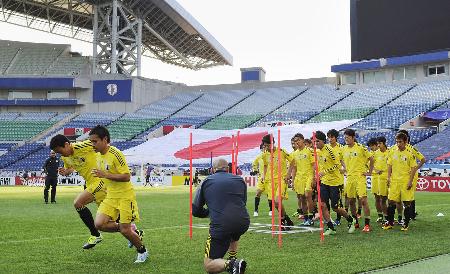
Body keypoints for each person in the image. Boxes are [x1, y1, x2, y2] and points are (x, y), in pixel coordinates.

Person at [89, 125, 147, 263]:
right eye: (91, 142)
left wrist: (105, 174)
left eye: (95, 141)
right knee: (99, 224)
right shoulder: (98, 157)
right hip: (110, 196)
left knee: (125, 230)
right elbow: (105, 178)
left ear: (105, 139)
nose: (93, 145)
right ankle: (132, 230)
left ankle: (142, 251)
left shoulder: (116, 154)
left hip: (125, 196)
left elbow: (126, 176)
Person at [50, 134, 108, 249]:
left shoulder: (84, 145)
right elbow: (71, 168)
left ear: (66, 144)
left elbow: (104, 146)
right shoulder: (65, 157)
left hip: (101, 181)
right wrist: (65, 172)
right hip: (90, 185)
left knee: (78, 203)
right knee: (112, 218)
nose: (60, 154)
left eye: (60, 151)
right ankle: (135, 232)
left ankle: (95, 235)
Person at [192, 158, 249, 274]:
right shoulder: (240, 180)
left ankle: (231, 264)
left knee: (209, 265)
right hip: (243, 222)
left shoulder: (206, 181)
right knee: (234, 231)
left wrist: (208, 212)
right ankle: (232, 258)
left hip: (221, 224)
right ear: (228, 168)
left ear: (212, 169)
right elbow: (243, 203)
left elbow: (195, 210)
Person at [314, 131, 355, 235]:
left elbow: (337, 165)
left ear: (323, 141)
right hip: (324, 182)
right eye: (314, 142)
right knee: (322, 205)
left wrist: (325, 171)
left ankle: (351, 220)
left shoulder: (329, 150)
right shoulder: (318, 151)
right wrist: (317, 173)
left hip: (335, 182)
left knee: (335, 207)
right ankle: (330, 227)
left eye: (317, 141)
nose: (315, 144)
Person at [383, 132, 418, 231]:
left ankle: (405, 224)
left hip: (405, 181)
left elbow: (413, 168)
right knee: (391, 202)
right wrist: (388, 177)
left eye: (400, 142)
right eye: (397, 142)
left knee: (406, 203)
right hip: (394, 181)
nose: (398, 144)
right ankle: (390, 223)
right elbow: (389, 165)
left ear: (406, 142)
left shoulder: (410, 153)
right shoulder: (392, 151)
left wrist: (410, 181)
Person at [341, 129, 374, 232]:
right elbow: (340, 159)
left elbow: (371, 159)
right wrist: (345, 168)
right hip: (349, 178)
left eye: (348, 137)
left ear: (353, 137)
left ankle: (367, 224)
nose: (346, 139)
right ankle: (355, 221)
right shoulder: (343, 149)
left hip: (360, 177)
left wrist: (369, 172)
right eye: (345, 137)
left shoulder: (361, 148)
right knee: (351, 201)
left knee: (363, 200)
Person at [261, 134, 294, 230]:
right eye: (264, 145)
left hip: (282, 180)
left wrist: (288, 174)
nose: (266, 147)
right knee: (275, 203)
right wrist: (263, 175)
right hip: (270, 181)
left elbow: (292, 161)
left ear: (273, 143)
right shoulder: (264, 154)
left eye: (268, 145)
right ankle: (287, 219)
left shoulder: (281, 151)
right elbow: (266, 166)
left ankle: (282, 220)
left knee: (277, 201)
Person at [289, 133, 315, 226]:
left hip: (309, 176)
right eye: (295, 141)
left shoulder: (309, 151)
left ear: (303, 140)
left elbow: (313, 165)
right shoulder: (294, 154)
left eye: (298, 140)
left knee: (308, 195)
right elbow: (293, 167)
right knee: (302, 198)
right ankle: (306, 218)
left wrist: (313, 177)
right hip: (299, 178)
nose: (297, 142)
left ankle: (311, 217)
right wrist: (291, 178)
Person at [326, 129, 345, 225]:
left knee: (337, 201)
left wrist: (344, 168)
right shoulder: (326, 148)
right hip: (327, 178)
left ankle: (338, 219)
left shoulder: (341, 148)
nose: (330, 139)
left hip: (338, 179)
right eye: (328, 137)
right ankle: (328, 219)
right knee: (326, 200)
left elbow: (343, 161)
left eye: (332, 137)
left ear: (336, 137)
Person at [252, 144, 272, 217]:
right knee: (258, 193)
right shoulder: (259, 157)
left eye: (265, 147)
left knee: (269, 195)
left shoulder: (271, 156)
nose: (264, 149)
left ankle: (271, 210)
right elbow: (254, 164)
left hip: (270, 178)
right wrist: (255, 171)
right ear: (261, 149)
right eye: (263, 148)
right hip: (261, 178)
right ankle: (256, 210)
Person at [373, 136, 389, 223]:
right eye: (377, 143)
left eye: (380, 143)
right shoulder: (376, 153)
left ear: (384, 143)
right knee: (382, 199)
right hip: (381, 179)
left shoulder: (390, 152)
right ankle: (385, 217)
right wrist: (376, 170)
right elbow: (370, 164)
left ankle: (393, 217)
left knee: (392, 200)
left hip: (391, 178)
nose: (378, 145)